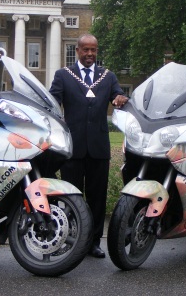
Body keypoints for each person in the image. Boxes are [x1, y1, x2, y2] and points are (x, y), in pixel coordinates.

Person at [49, 34, 128, 258]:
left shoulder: (107, 76)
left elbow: (118, 95)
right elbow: (52, 104)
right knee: (71, 197)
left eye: (93, 50)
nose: (90, 54)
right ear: (78, 50)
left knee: (97, 197)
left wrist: (120, 98)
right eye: (86, 50)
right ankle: (71, 241)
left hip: (98, 147)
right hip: (72, 147)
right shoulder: (63, 75)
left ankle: (93, 243)